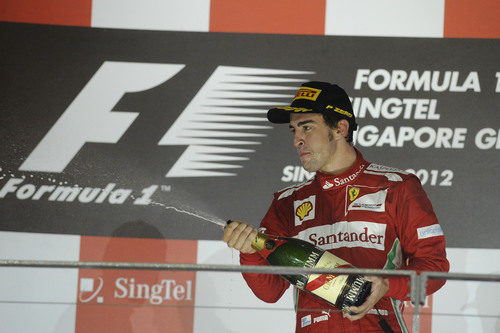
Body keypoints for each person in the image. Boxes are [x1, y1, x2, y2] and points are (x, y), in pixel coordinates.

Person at [223, 81, 449, 332]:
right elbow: (270, 291)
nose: (297, 140)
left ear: (340, 128)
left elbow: (434, 267)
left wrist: (387, 284)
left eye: (306, 127)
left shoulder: (396, 187)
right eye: (294, 130)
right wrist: (249, 251)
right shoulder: (288, 202)